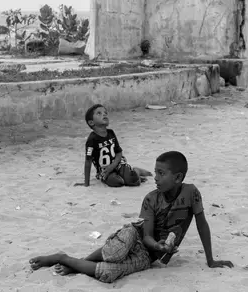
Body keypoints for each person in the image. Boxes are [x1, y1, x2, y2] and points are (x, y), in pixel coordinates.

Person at [29, 151, 234, 283]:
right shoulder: (150, 199)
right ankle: (64, 258)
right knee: (116, 252)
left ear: (178, 178)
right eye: (155, 172)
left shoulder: (191, 193)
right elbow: (145, 236)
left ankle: (68, 260)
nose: (155, 177)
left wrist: (211, 260)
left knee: (108, 274)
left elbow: (202, 225)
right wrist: (159, 245)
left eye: (161, 173)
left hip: (148, 256)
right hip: (136, 236)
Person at [75, 104, 151, 188]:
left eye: (105, 113)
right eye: (99, 113)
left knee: (134, 182)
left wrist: (113, 166)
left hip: (118, 164)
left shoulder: (111, 133)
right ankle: (124, 175)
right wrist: (86, 183)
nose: (104, 114)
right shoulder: (91, 140)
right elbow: (88, 161)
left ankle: (136, 171)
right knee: (118, 183)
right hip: (104, 170)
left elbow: (119, 152)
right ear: (91, 122)